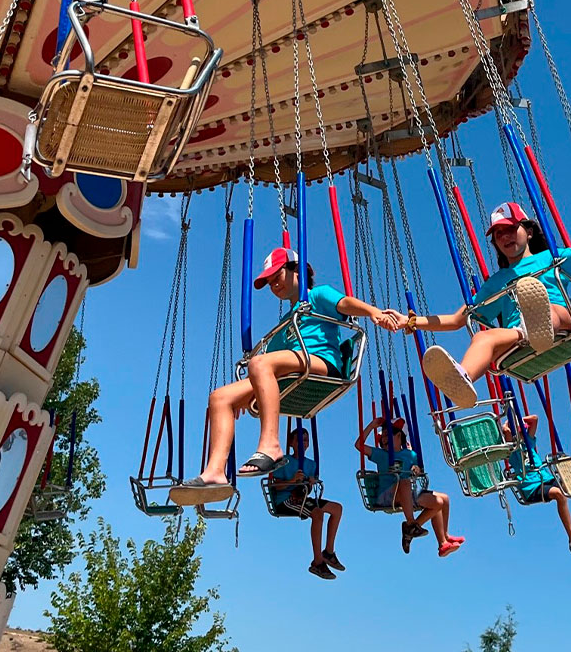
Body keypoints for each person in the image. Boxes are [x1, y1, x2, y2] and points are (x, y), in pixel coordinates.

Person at [171, 247, 402, 505]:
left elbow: (344, 304)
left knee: (259, 364)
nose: (274, 284)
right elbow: (267, 367)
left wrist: (372, 312)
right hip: (295, 367)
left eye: (277, 275)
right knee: (220, 397)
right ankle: (215, 471)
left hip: (323, 363)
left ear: (296, 271)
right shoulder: (285, 323)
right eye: (269, 282)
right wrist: (247, 392)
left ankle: (271, 444)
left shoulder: (316, 296)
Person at [408, 201, 571, 407]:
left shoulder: (551, 258)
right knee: (482, 339)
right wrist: (411, 321)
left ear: (528, 231)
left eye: (510, 229)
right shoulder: (496, 282)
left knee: (549, 308)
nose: (505, 237)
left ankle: (535, 324)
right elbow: (457, 320)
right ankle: (463, 378)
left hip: (560, 322)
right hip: (517, 338)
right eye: (499, 234)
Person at [354, 416, 464, 557]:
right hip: (388, 496)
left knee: (443, 500)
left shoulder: (410, 454)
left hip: (407, 494)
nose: (383, 439)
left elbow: (416, 467)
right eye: (382, 437)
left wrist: (416, 469)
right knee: (405, 482)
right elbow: (358, 445)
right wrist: (371, 425)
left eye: (388, 435)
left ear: (399, 435)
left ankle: (443, 539)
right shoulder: (381, 454)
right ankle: (411, 524)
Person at [503, 414, 571, 558]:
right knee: (559, 494)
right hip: (532, 487)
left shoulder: (529, 442)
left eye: (523, 431)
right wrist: (510, 421)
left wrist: (520, 421)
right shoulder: (511, 449)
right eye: (520, 432)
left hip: (545, 478)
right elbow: (505, 430)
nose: (522, 433)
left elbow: (535, 419)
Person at [264, 427, 345, 579]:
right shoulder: (283, 462)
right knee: (317, 513)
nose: (303, 443)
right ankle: (317, 562)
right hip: (285, 499)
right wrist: (293, 480)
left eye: (306, 440)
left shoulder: (311, 465)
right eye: (299, 440)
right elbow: (276, 486)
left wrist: (310, 482)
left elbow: (306, 489)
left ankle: (328, 551)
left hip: (301, 498)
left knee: (337, 509)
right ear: (292, 443)